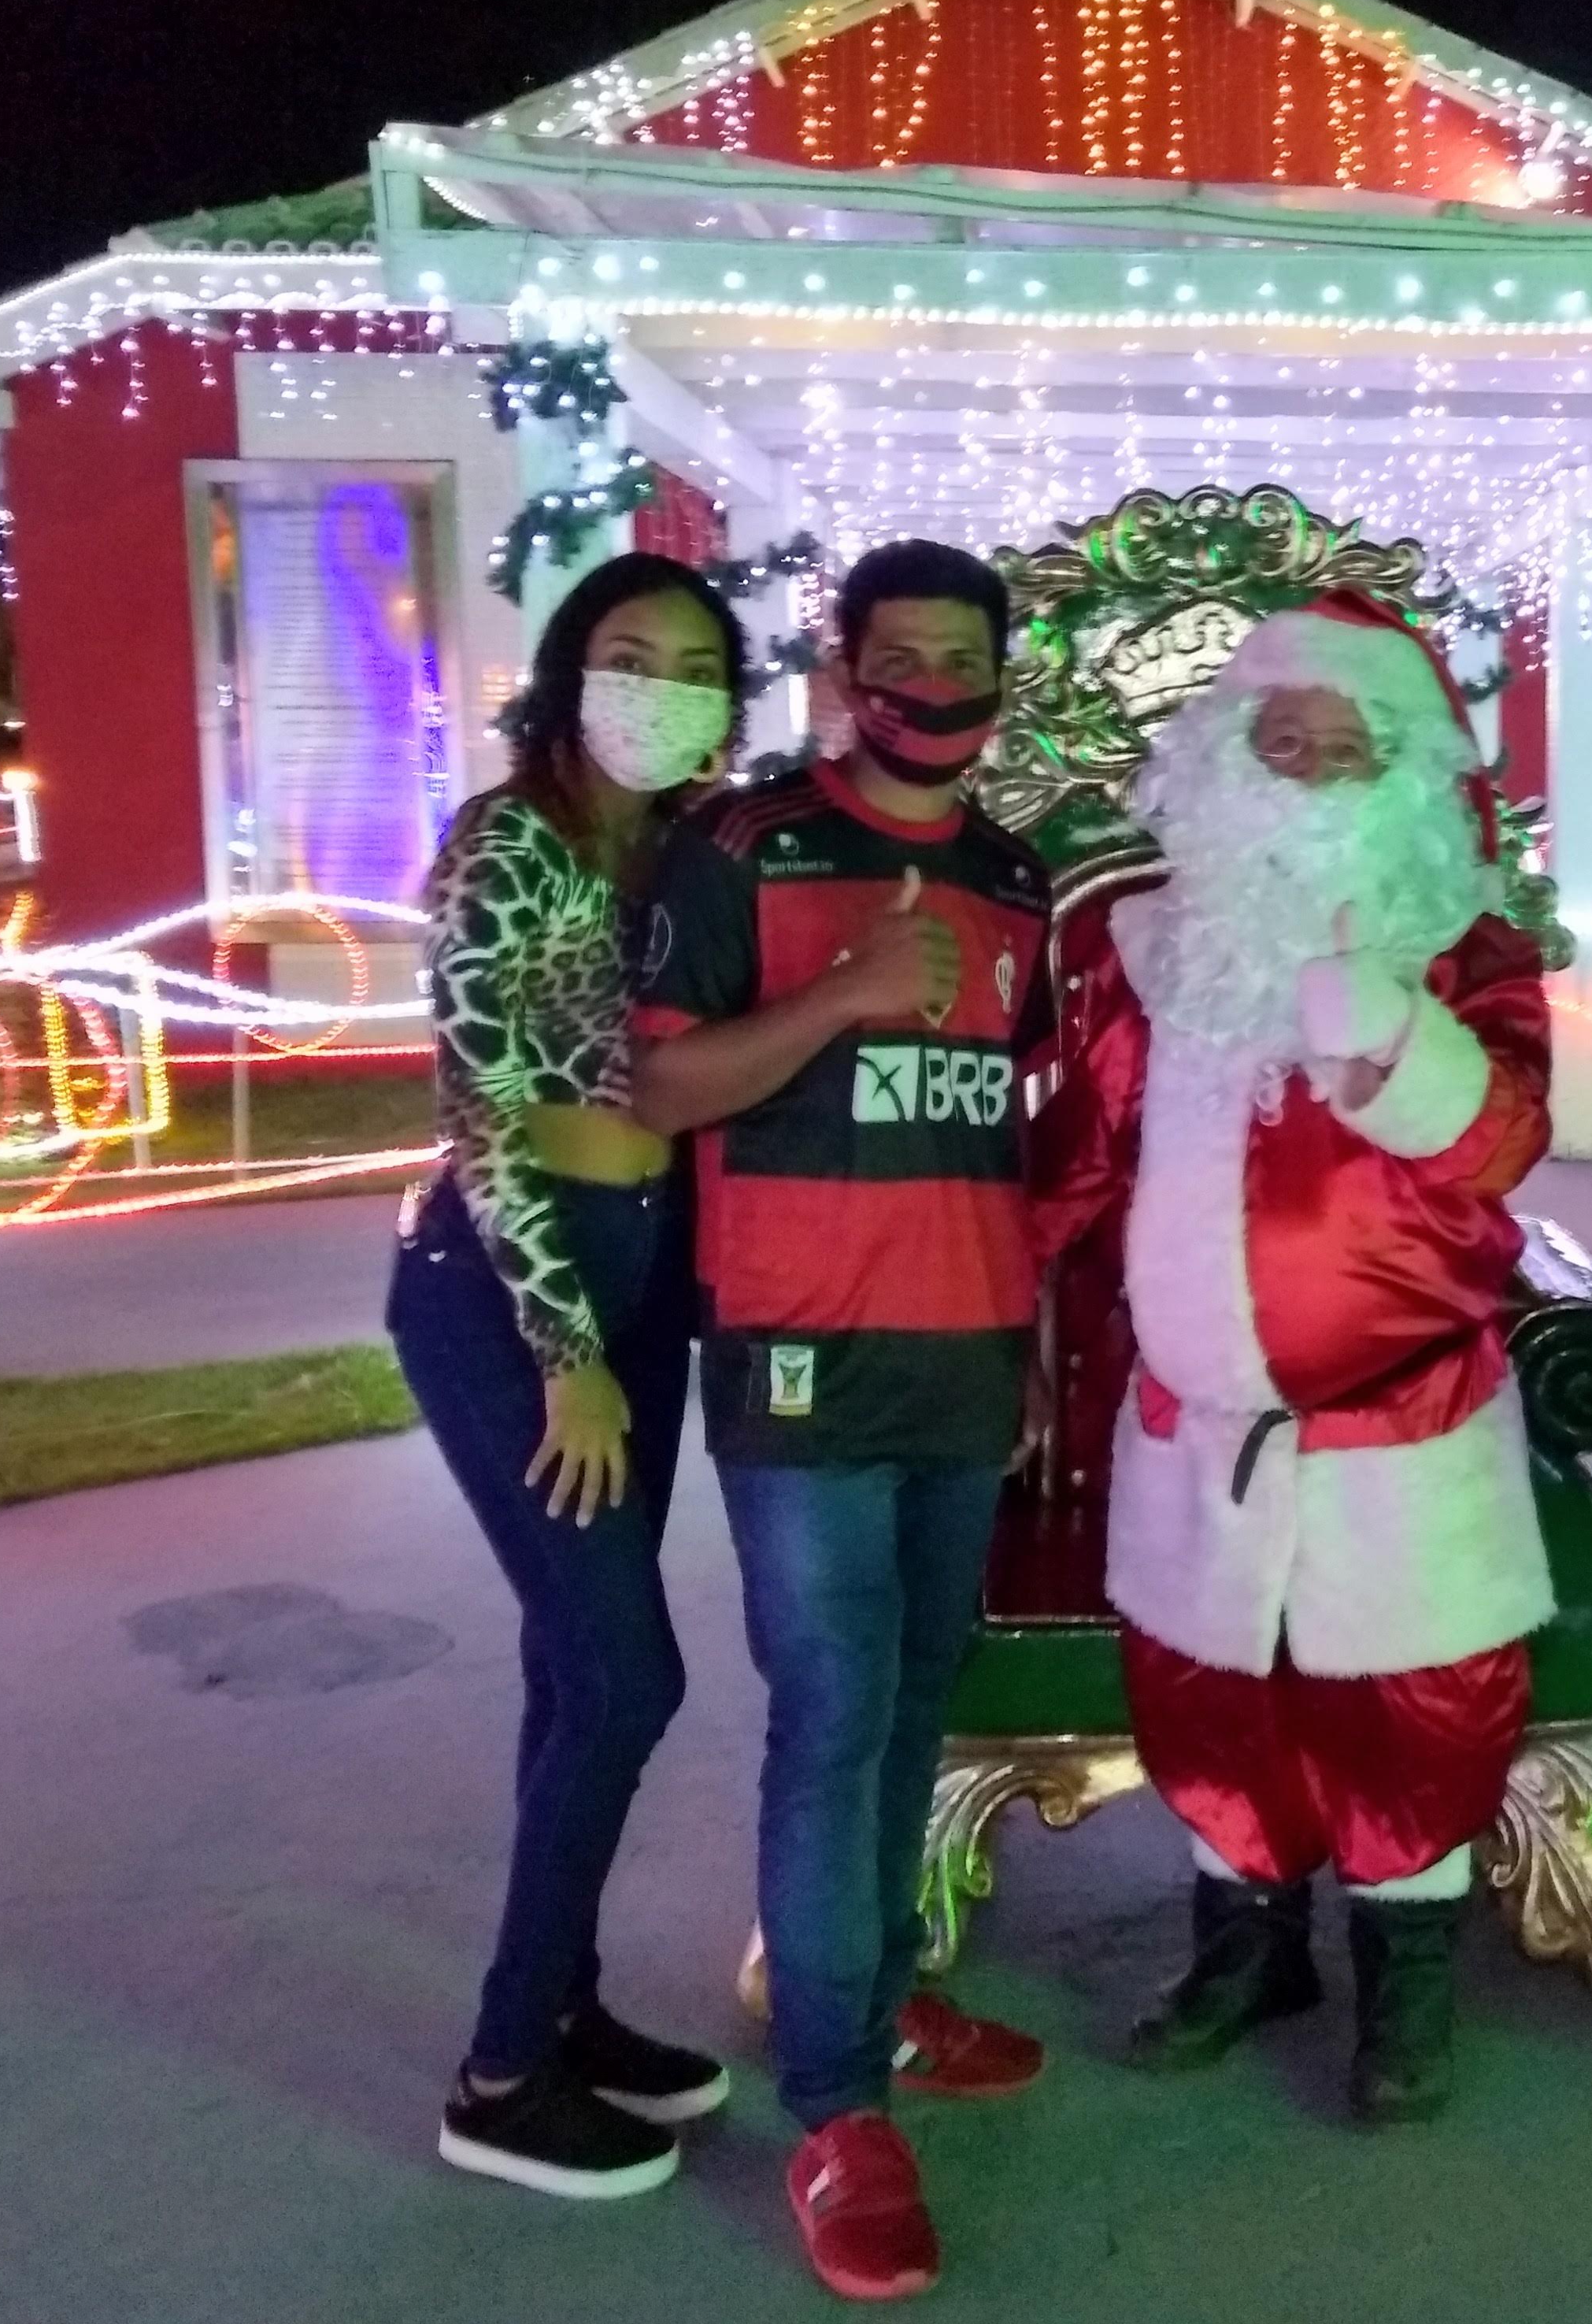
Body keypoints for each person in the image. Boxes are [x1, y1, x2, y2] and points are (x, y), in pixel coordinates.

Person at [1033, 595, 1554, 2126]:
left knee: (1416, 1706)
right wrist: (1001, 1322)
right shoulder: (1146, 956)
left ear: (1407, 773)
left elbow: (1504, 1147)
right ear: (1226, 760)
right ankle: (1246, 1949)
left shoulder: (1466, 954)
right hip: (1192, 1424)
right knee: (1210, 1699)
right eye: (1282, 742)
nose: (1312, 774)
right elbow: (1077, 1167)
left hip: (1401, 1426)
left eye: (1347, 748)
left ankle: (1406, 1981)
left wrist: (1392, 1038)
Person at [631, 538, 1050, 2304]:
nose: (933, 686)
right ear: (844, 670)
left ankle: (878, 2002)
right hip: (799, 1359)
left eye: (964, 657)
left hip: (966, 1356)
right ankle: (832, 2107)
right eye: (903, 656)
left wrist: (1030, 1337)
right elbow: (659, 1085)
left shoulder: (1018, 880)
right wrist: (837, 999)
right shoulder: (743, 848)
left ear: (1000, 678)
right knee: (831, 1717)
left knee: (914, 1712)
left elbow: (1001, 1129)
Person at [391, 551, 742, 2200]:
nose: (658, 690)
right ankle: (501, 2070)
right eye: (628, 655)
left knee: (569, 1662)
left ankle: (566, 2007)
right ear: (567, 672)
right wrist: (567, 1355)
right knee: (623, 1674)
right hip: (510, 1292)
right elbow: (483, 1120)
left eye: (694, 666)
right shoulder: (504, 845)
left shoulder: (672, 857)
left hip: (640, 1276)